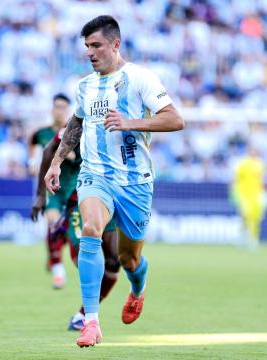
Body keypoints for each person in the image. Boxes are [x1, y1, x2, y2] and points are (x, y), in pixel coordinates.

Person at [44, 15, 185, 347]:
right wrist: (56, 162)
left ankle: (137, 288)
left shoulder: (140, 78)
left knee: (129, 259)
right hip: (95, 176)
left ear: (115, 44)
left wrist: (130, 122)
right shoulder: (86, 85)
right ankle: (91, 323)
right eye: (87, 47)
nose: (90, 53)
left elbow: (175, 119)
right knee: (90, 229)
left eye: (97, 46)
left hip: (135, 183)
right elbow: (76, 125)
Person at [31, 127, 120, 331]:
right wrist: (41, 194)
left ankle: (81, 315)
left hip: (111, 196)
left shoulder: (119, 119)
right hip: (80, 201)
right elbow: (47, 151)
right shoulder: (79, 124)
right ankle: (89, 318)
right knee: (85, 259)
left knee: (114, 262)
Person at [28, 94, 72, 289]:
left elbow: (75, 155)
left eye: (63, 107)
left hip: (74, 187)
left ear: (68, 109)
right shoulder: (43, 133)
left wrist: (64, 154)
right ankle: (58, 268)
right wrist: (31, 161)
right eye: (56, 107)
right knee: (53, 223)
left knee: (70, 230)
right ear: (52, 109)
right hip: (53, 189)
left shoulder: (74, 132)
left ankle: (56, 253)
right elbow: (31, 140)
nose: (59, 110)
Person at [231, 144, 266, 250]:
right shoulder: (243, 163)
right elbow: (235, 179)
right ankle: (242, 237)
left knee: (256, 218)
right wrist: (234, 193)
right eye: (252, 150)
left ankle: (254, 239)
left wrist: (263, 191)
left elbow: (262, 180)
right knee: (245, 216)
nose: (253, 153)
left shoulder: (260, 164)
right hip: (244, 195)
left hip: (256, 195)